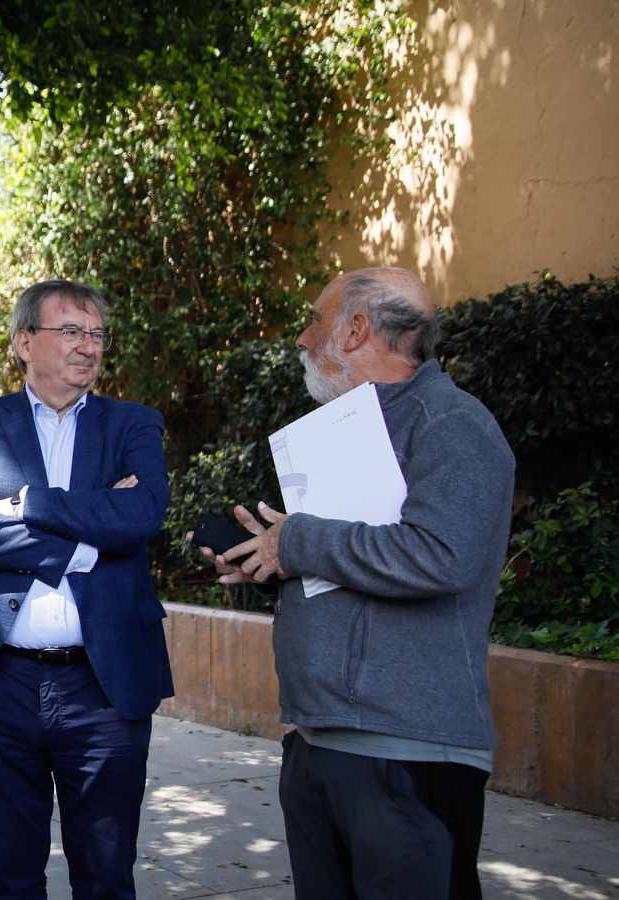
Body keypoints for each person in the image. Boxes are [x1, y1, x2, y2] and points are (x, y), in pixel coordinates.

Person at [200, 267, 515, 899]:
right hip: (321, 743)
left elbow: (438, 556)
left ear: (355, 330)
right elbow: (352, 566)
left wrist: (297, 541)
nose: (299, 339)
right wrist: (267, 561)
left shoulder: (452, 423)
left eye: (313, 320)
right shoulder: (351, 428)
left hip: (408, 754)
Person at [0, 279, 172, 898]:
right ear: (24, 342)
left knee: (106, 876)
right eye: (70, 331)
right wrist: (86, 543)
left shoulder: (133, 425)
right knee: (10, 875)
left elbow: (143, 513)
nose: (87, 346)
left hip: (105, 684)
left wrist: (24, 504)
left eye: (96, 334)